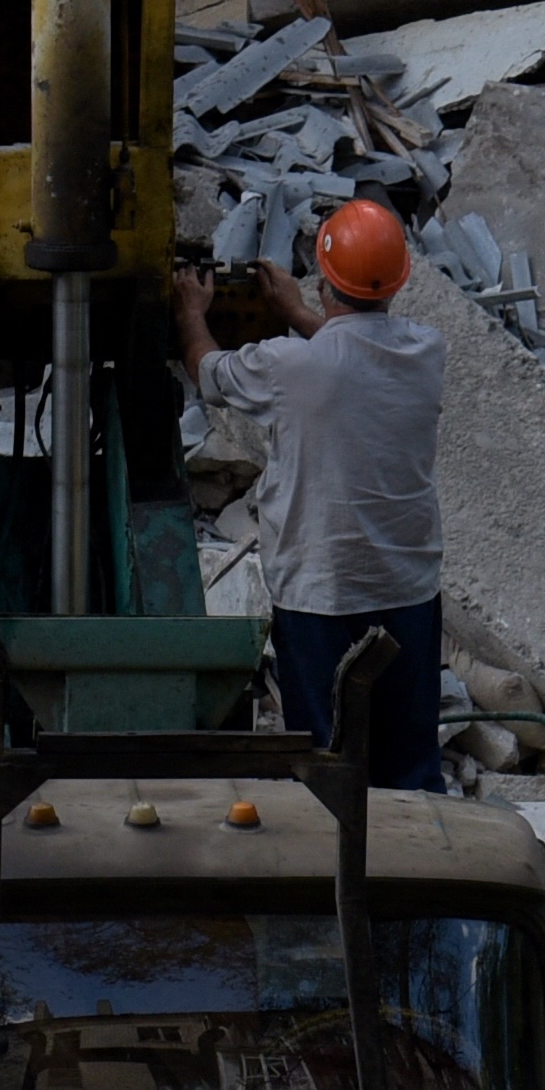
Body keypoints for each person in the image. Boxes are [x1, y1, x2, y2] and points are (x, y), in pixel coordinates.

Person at [175, 193, 449, 787]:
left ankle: (338, 871)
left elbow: (206, 370)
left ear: (325, 277)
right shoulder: (427, 352)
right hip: (408, 589)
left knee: (328, 765)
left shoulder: (289, 367)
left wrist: (190, 311)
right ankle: (422, 867)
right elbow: (352, 354)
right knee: (411, 767)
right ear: (396, 282)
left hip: (321, 594)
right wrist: (299, 312)